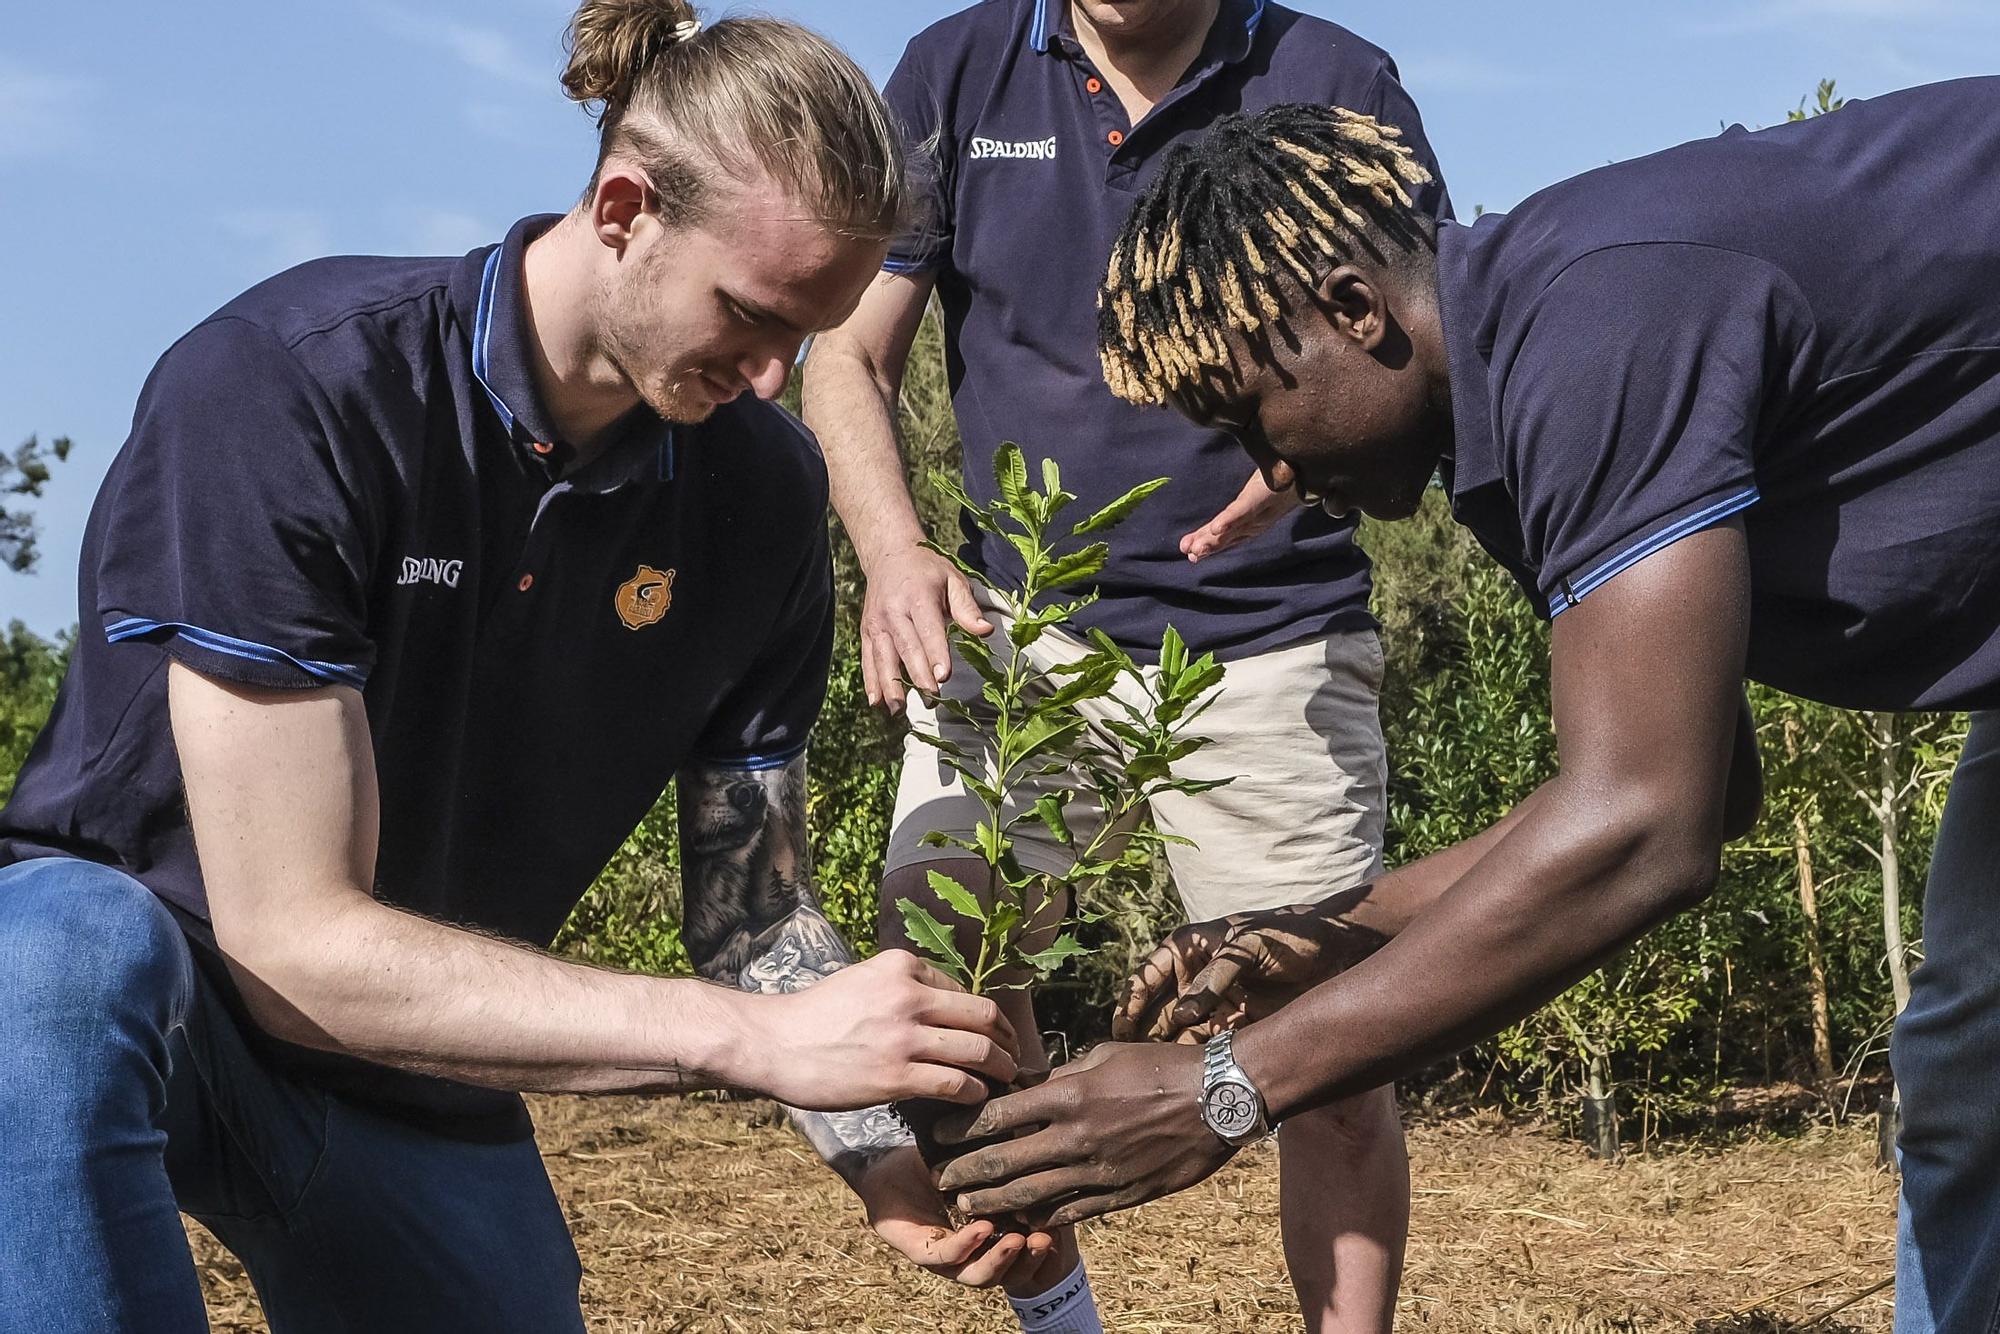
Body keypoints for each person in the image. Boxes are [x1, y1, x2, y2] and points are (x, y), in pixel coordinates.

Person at [0, 5, 1023, 1331]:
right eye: (752, 317)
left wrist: (885, 1142)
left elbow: (755, 921)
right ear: (621, 208)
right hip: (165, 998)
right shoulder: (298, 389)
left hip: (418, 1061)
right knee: (52, 956)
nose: (774, 380)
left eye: (809, 341)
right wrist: (744, 1039)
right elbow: (289, 937)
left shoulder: (764, 495)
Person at [928, 79, 2000, 1334]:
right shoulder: (1512, 393)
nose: (1271, 474)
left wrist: (1224, 1087)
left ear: (1349, 310)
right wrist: (1313, 931)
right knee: (1971, 1072)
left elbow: (1648, 829)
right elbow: (1691, 782)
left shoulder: (1594, 330)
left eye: (1253, 417)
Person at [802, 2, 1448, 1329]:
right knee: (951, 983)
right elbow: (847, 354)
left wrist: (1308, 470)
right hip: (1023, 619)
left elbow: (1424, 343)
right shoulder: (957, 69)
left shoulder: (1335, 78)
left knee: (1328, 1044)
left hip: (1275, 628)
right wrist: (894, 549)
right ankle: (1059, 1313)